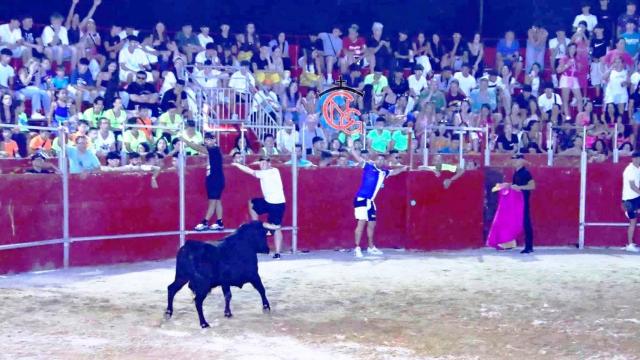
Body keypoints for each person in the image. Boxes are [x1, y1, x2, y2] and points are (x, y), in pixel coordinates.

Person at [348, 140, 408, 258]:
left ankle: (371, 247)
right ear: (375, 160)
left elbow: (394, 172)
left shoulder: (384, 172)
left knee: (372, 224)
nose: (380, 161)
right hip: (361, 199)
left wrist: (403, 168)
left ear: (385, 161)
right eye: (378, 159)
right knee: (361, 224)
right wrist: (351, 148)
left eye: (382, 160)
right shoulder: (368, 166)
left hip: (370, 202)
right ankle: (357, 248)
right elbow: (357, 157)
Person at [231, 157, 286, 259]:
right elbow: (258, 164)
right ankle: (256, 224)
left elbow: (250, 171)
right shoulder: (271, 170)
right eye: (261, 164)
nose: (262, 165)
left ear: (270, 164)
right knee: (252, 203)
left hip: (277, 204)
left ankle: (277, 252)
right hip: (267, 201)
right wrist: (255, 162)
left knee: (276, 227)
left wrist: (237, 165)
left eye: (265, 164)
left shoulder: (270, 172)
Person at [183, 132, 226, 232]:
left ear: (214, 140)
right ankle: (219, 222)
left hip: (216, 180)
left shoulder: (214, 149)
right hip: (215, 179)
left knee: (212, 201)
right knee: (217, 201)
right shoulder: (212, 150)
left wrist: (185, 140)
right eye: (206, 139)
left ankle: (205, 222)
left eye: (210, 139)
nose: (208, 141)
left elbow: (198, 148)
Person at [511, 154, 536, 253]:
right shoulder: (516, 173)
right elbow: (514, 186)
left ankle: (529, 246)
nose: (514, 161)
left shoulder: (526, 172)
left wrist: (520, 188)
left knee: (526, 223)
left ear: (521, 161)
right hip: (518, 200)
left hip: (523, 200)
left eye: (516, 159)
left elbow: (532, 186)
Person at [622, 151, 640, 252]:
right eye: (636, 158)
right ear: (633, 159)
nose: (638, 160)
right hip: (628, 200)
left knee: (633, 221)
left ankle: (630, 244)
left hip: (636, 198)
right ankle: (629, 245)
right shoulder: (630, 170)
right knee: (633, 221)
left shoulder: (638, 168)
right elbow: (633, 186)